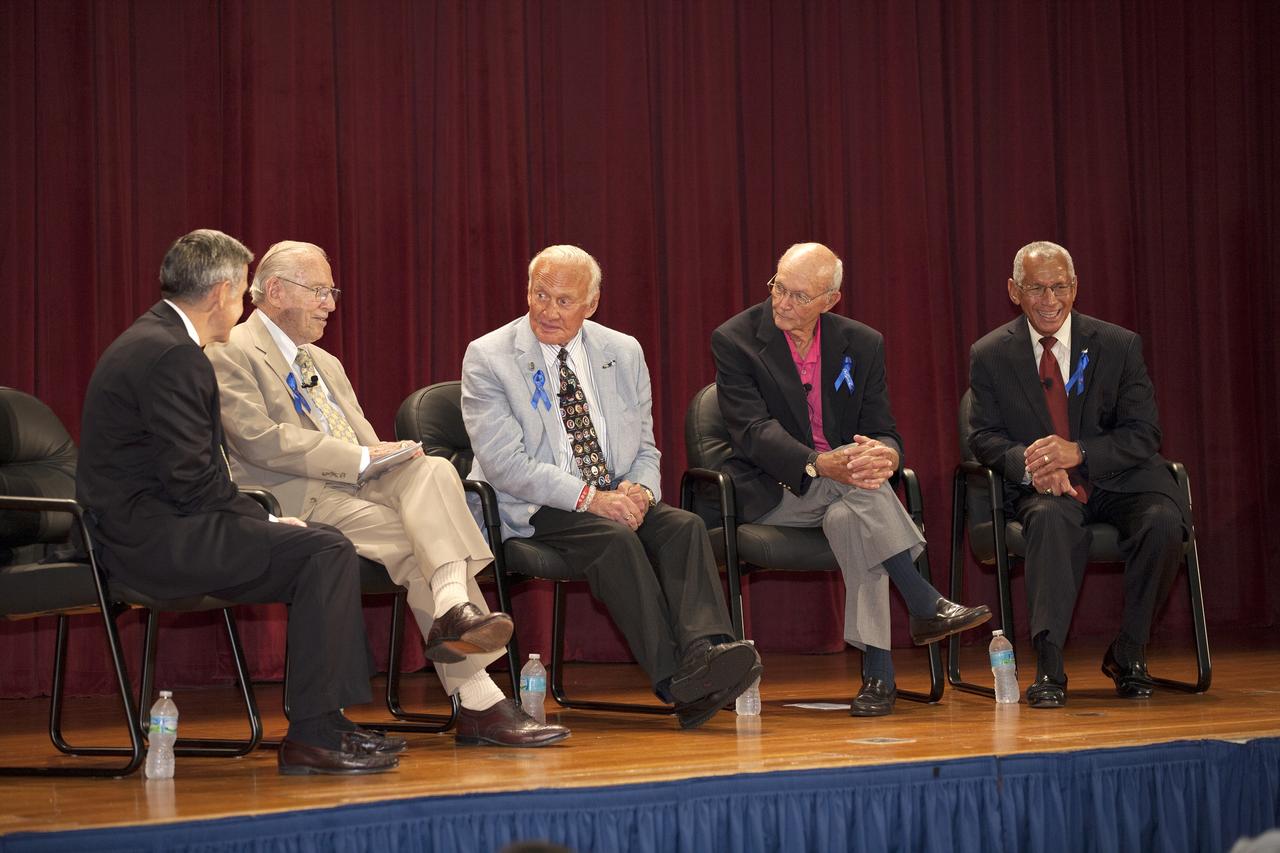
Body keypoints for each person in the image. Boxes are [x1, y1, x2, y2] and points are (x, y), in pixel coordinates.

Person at [205, 240, 568, 747]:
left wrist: (387, 453)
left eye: (331, 292)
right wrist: (362, 459)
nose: (331, 303)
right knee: (420, 542)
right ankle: (478, 696)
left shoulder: (324, 363)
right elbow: (260, 441)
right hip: (292, 499)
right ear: (277, 291)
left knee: (434, 468)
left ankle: (450, 611)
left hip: (358, 487)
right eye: (320, 291)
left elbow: (362, 440)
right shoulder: (230, 352)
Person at [77, 229, 399, 774]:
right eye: (243, 290)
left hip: (157, 523)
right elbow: (191, 480)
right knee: (322, 550)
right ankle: (315, 734)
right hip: (150, 539)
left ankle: (327, 724)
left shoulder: (157, 341)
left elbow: (190, 476)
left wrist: (264, 518)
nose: (243, 304)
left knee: (320, 547)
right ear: (222, 292)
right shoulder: (172, 356)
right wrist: (268, 517)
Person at [461, 245, 762, 730]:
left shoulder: (622, 352)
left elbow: (645, 447)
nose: (548, 310)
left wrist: (640, 491)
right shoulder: (490, 356)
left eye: (563, 300)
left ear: (591, 304)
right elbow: (504, 465)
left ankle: (707, 652)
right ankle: (676, 680)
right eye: (540, 295)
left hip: (613, 492)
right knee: (614, 541)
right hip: (534, 505)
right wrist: (590, 499)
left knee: (682, 527)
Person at [711, 242, 991, 716]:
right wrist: (821, 464)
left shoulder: (862, 344)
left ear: (830, 300)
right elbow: (753, 432)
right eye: (779, 287)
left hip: (847, 491)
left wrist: (886, 455)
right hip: (775, 489)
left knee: (853, 514)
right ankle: (922, 602)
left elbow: (883, 428)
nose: (782, 302)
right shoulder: (735, 339)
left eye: (799, 296)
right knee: (860, 484)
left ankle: (878, 678)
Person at [968, 240, 1189, 708]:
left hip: (1119, 479)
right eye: (1036, 288)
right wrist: (1035, 464)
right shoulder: (990, 353)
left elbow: (1144, 432)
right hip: (1045, 490)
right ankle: (1049, 665)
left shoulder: (1118, 345)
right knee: (1049, 520)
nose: (1049, 300)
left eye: (1059, 287)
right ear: (1014, 291)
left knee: (1164, 520)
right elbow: (983, 437)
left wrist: (1079, 452)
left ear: (1075, 288)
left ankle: (1129, 652)